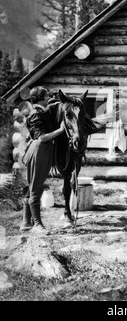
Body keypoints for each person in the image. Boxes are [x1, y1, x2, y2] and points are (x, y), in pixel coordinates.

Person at [20, 86, 65, 235]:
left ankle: (26, 223)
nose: (49, 98)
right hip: (39, 149)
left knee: (33, 184)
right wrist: (60, 130)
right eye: (46, 96)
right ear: (39, 99)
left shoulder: (42, 112)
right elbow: (42, 137)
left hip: (43, 150)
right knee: (36, 187)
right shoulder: (35, 114)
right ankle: (37, 225)